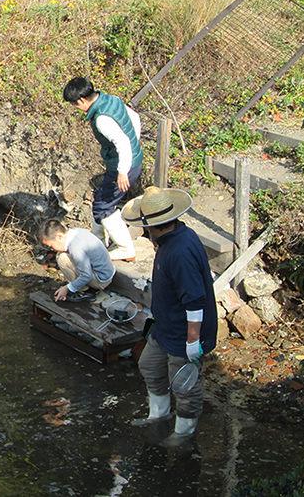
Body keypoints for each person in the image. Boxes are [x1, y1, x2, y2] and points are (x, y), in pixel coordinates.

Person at [121, 186, 217, 446]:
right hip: (165, 327)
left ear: (154, 225)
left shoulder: (180, 251)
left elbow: (195, 300)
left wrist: (192, 341)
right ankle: (159, 415)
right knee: (149, 366)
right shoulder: (171, 239)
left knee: (184, 386)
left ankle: (184, 433)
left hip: (183, 332)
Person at [63, 77, 142, 261]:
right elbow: (134, 118)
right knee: (102, 199)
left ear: (81, 100)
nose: (76, 109)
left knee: (103, 205)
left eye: (74, 105)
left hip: (124, 166)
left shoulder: (101, 119)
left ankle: (125, 249)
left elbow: (122, 142)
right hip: (134, 160)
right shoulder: (111, 99)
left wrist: (123, 170)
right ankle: (99, 240)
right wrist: (134, 144)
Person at [38, 219, 115, 303]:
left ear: (59, 236)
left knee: (62, 258)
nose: (52, 249)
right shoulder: (77, 232)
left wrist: (68, 288)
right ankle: (82, 286)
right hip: (107, 271)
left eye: (51, 246)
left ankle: (85, 292)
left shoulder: (76, 248)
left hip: (101, 280)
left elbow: (86, 276)